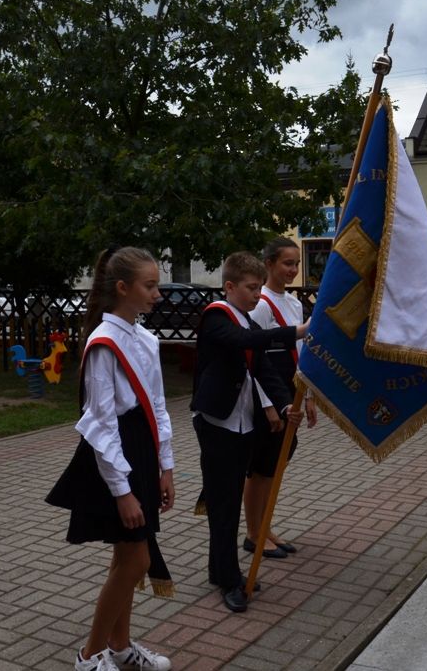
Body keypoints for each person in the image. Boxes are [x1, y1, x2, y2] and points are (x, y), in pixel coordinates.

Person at [46, 247, 175, 671]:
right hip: (115, 456)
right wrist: (122, 491)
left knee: (125, 558)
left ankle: (119, 648)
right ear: (122, 287)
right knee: (137, 560)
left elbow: (158, 406)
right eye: (149, 286)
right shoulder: (104, 343)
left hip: (141, 449)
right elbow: (101, 424)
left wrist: (166, 466)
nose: (157, 294)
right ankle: (89, 656)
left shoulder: (145, 338)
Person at [191, 251, 307, 613]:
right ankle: (229, 578)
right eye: (251, 288)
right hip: (218, 426)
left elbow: (264, 368)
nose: (258, 295)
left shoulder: (245, 320)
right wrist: (297, 331)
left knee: (225, 502)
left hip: (242, 424)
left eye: (259, 288)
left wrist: (284, 404)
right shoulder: (217, 316)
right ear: (229, 286)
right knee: (224, 506)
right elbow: (243, 342)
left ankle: (219, 570)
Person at [244, 237, 317, 558]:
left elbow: (301, 352)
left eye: (297, 264)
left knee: (277, 464)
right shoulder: (260, 304)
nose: (293, 269)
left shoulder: (294, 303)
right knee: (261, 468)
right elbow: (254, 358)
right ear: (269, 263)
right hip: (269, 398)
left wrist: (307, 394)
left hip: (290, 393)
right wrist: (268, 406)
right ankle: (253, 533)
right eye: (288, 263)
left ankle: (266, 527)